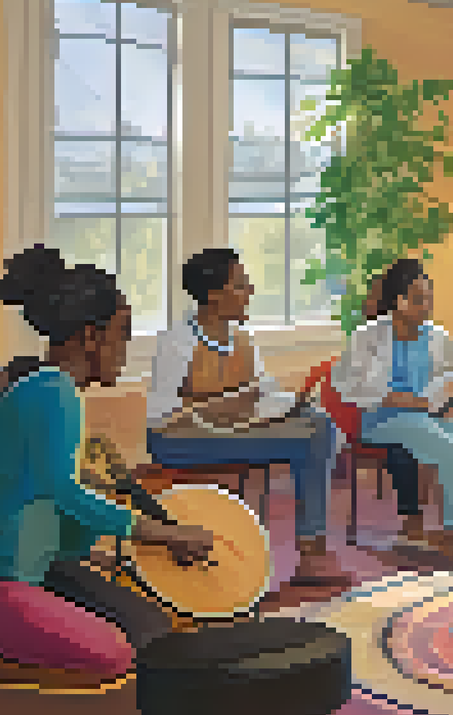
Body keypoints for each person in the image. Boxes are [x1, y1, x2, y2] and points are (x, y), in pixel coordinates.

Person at [0, 245, 213, 677]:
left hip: (29, 567)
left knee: (154, 628)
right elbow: (64, 492)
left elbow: (39, 497)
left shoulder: (35, 386)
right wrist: (164, 534)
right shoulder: (55, 393)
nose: (125, 348)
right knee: (119, 654)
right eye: (122, 333)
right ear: (91, 337)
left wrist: (88, 553)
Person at [145, 248, 349, 589]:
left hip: (231, 431)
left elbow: (262, 389)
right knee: (313, 435)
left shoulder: (243, 338)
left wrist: (289, 405)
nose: (250, 291)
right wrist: (227, 405)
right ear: (212, 296)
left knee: (317, 421)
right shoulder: (178, 341)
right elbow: (161, 414)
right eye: (240, 285)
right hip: (179, 439)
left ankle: (313, 547)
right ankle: (312, 551)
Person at [332, 258, 453, 562]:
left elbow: (447, 378)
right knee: (445, 447)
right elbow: (346, 384)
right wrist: (391, 397)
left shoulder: (437, 335)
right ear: (398, 302)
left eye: (429, 299)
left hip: (430, 414)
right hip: (383, 419)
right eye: (419, 300)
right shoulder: (367, 336)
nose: (427, 307)